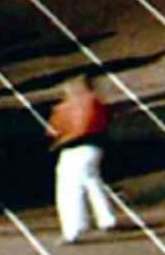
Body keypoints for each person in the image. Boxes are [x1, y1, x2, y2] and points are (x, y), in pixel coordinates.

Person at [48, 74, 118, 246]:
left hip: (74, 150)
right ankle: (107, 219)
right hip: (95, 148)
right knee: (92, 181)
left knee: (69, 189)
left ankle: (73, 230)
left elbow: (55, 130)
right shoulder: (97, 103)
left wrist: (59, 137)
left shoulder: (69, 106)